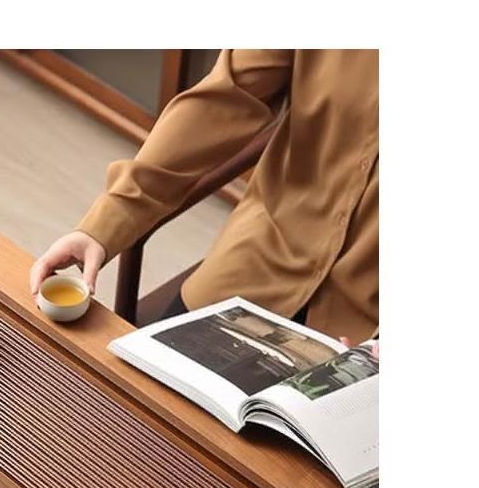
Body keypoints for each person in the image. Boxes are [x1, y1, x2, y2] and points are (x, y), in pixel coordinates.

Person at [29, 50, 379, 346]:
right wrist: (107, 221)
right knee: (128, 394)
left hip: (365, 331)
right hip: (258, 263)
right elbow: (226, 98)